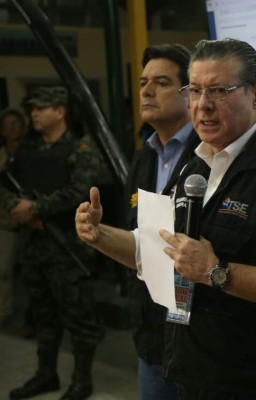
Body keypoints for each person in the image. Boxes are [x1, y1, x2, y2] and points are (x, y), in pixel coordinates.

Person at [75, 38, 256, 399]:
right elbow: (160, 249)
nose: (203, 105)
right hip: (198, 379)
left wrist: (215, 271)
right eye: (195, 91)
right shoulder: (195, 168)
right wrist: (100, 235)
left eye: (219, 90)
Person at [0, 86, 105, 400]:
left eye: (41, 108)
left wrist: (34, 208)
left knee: (79, 320)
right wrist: (17, 208)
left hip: (68, 250)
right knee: (43, 318)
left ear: (59, 111)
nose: (33, 113)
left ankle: (82, 381)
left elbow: (79, 192)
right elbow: (4, 183)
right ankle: (46, 375)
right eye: (32, 108)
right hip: (34, 248)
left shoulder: (81, 149)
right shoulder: (27, 150)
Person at [126, 43, 200, 400]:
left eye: (161, 82)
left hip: (201, 332)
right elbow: (135, 234)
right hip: (153, 332)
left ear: (189, 93)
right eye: (143, 82)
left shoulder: (210, 153)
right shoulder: (144, 157)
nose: (147, 91)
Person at [0, 108, 27, 328]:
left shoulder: (32, 153)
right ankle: (3, 312)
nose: (12, 129)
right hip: (5, 222)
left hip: (31, 219)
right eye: (7, 125)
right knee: (3, 271)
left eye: (15, 124)